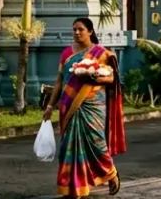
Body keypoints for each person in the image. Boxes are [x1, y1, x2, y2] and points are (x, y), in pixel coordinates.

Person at [43, 17, 125, 197]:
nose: (77, 33)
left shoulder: (102, 53)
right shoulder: (66, 54)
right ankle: (73, 188)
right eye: (74, 30)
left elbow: (112, 79)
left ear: (90, 31)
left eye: (80, 29)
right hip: (68, 104)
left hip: (93, 105)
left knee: (97, 144)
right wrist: (50, 105)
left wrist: (95, 76)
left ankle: (110, 172)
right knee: (68, 148)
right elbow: (59, 81)